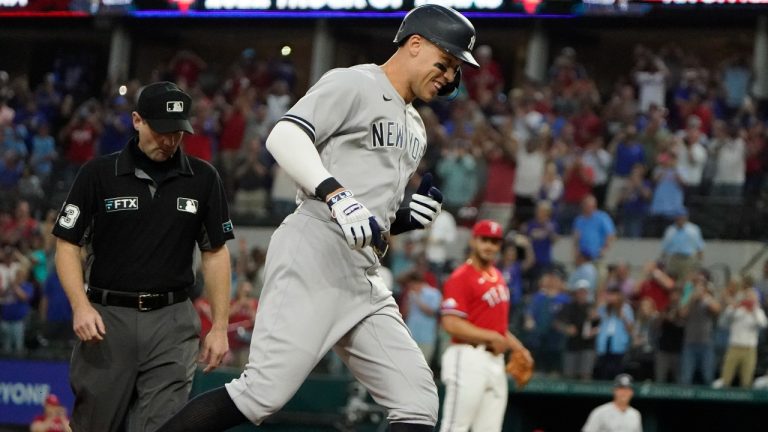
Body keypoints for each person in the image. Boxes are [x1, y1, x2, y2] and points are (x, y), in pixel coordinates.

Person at [156, 5, 479, 432]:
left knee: (417, 400)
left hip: (363, 270)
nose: (450, 76)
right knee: (260, 395)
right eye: (446, 63)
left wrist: (400, 218)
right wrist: (336, 195)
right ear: (415, 45)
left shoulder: (417, 126)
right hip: (315, 247)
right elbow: (284, 135)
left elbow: (366, 213)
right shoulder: (355, 82)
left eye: (456, 68)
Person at [52, 81, 234, 432]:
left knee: (162, 426)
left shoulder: (203, 178)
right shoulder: (98, 174)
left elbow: (215, 253)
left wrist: (220, 327)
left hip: (172, 322)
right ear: (137, 120)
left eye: (178, 132)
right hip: (107, 321)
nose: (170, 141)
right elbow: (67, 244)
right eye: (162, 130)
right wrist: (80, 306)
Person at [439, 219, 531, 431]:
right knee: (455, 427)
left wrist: (519, 349)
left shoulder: (497, 277)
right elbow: (451, 323)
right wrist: (492, 337)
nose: (489, 246)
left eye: (495, 241)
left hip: (495, 362)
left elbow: (498, 329)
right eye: (484, 240)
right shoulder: (460, 277)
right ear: (473, 241)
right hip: (467, 356)